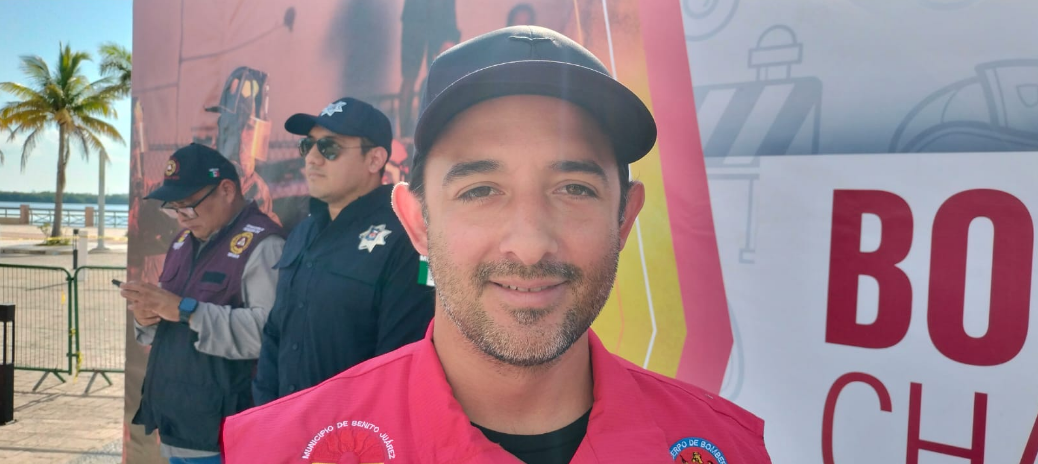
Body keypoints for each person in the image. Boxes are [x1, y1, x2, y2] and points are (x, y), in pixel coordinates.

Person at [223, 26, 772, 463]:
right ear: (417, 223)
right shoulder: (280, 449)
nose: (530, 246)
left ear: (624, 218)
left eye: (574, 189)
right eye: (481, 190)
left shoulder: (726, 447)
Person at [251, 97, 435, 406]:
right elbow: (275, 332)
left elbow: (399, 362)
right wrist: (267, 412)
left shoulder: (407, 239)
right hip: (285, 425)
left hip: (351, 432)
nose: (312, 158)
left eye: (329, 148)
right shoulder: (304, 231)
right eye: (307, 146)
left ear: (374, 160)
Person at [120, 143, 285, 463]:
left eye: (189, 206)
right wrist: (146, 316)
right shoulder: (182, 242)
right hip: (176, 424)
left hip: (225, 434)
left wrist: (185, 310)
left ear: (227, 190)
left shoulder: (264, 245)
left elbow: (268, 335)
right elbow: (170, 320)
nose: (182, 217)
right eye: (174, 208)